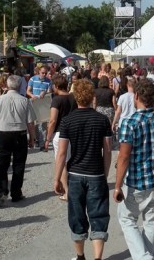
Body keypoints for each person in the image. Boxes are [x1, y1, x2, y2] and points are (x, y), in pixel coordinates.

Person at [53, 79, 112, 260]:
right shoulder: (102, 120)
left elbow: (62, 153)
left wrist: (57, 178)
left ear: (76, 97)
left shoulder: (67, 121)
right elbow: (107, 150)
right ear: (92, 96)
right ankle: (98, 258)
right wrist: (105, 173)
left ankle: (80, 256)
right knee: (98, 216)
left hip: (75, 174)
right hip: (96, 173)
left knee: (77, 216)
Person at [114, 79, 154, 260]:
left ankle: (144, 257)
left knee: (127, 219)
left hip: (137, 181)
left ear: (136, 96)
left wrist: (117, 186)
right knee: (150, 222)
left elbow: (124, 157)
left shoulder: (129, 122)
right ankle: (146, 255)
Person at [0, 75, 36, 206]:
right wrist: (32, 138)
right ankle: (16, 192)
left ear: (7, 85)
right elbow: (30, 123)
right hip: (20, 134)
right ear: (19, 86)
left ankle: (2, 191)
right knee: (19, 165)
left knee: (2, 164)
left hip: (4, 134)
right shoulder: (25, 101)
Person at [45, 74, 76, 201]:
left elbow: (53, 120)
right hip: (73, 132)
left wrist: (47, 138)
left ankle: (66, 191)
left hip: (60, 133)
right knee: (71, 161)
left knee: (61, 162)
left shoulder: (56, 100)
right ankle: (71, 188)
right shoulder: (74, 97)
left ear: (57, 86)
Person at [27, 65, 52, 149]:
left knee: (43, 124)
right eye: (42, 73)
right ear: (39, 72)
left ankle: (42, 143)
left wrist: (45, 92)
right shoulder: (33, 79)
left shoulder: (49, 81)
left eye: (45, 73)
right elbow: (28, 91)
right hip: (34, 103)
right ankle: (37, 140)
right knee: (35, 124)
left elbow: (49, 92)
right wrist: (32, 96)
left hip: (43, 104)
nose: (44, 74)